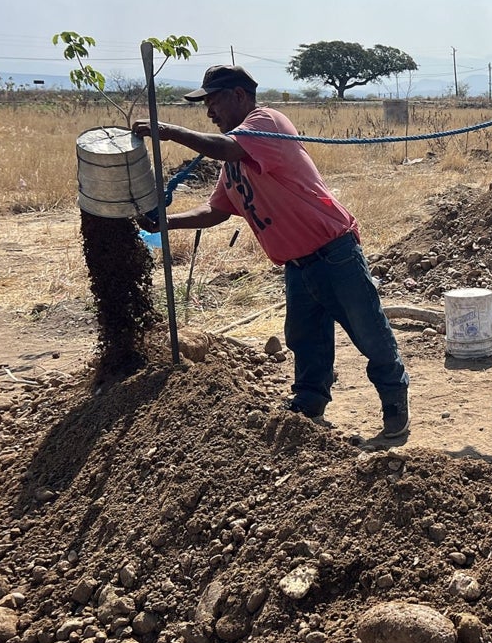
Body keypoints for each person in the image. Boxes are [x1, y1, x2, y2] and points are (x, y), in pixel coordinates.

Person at [132, 65, 411, 438]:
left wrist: (169, 132)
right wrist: (167, 223)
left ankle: (394, 401)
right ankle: (309, 402)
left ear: (240, 96)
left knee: (369, 332)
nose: (209, 112)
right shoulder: (233, 160)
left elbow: (226, 147)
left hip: (334, 252)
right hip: (297, 263)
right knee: (304, 337)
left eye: (214, 101)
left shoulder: (266, 123)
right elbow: (216, 210)